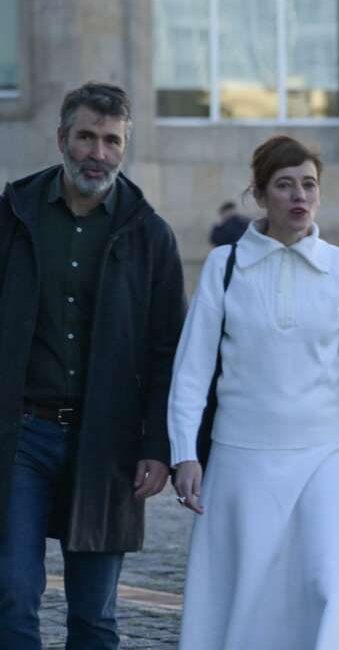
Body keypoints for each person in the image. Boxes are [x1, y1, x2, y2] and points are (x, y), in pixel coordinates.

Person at [169, 135, 339, 650]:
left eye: (308, 185)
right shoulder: (226, 266)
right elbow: (192, 371)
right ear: (260, 195)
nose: (299, 196)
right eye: (284, 185)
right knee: (246, 593)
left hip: (321, 456)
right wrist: (184, 454)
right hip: (240, 458)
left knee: (322, 584)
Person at [0, 82, 186, 649]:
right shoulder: (11, 217)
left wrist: (159, 445)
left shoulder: (150, 235)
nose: (97, 153)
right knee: (11, 597)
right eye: (86, 137)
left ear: (124, 147)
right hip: (19, 437)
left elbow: (167, 351)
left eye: (111, 141)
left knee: (94, 616)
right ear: (62, 138)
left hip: (108, 443)